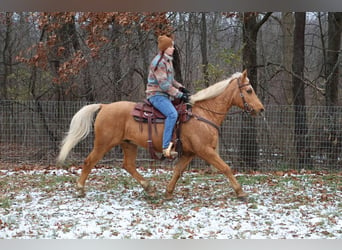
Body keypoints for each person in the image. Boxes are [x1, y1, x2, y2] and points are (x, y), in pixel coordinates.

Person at [146, 35, 190, 158]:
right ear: (164, 48)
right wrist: (179, 94)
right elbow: (164, 85)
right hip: (156, 95)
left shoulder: (167, 60)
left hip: (165, 95)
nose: (173, 48)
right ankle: (166, 147)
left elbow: (170, 80)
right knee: (172, 114)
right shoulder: (159, 62)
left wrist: (181, 88)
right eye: (170, 46)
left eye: (173, 46)